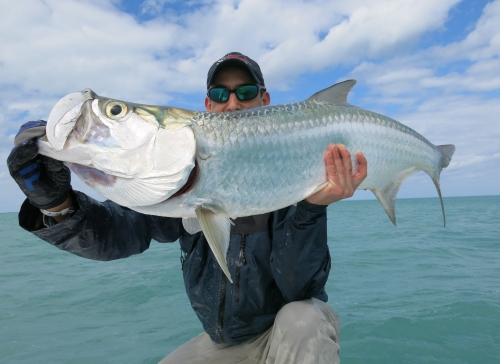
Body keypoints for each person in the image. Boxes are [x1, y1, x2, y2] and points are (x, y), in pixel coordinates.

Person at [7, 52, 368, 364]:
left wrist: (311, 208)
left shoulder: (297, 180)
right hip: (226, 343)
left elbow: (300, 288)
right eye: (219, 93)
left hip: (289, 333)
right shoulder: (178, 195)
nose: (232, 103)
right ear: (207, 104)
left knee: (303, 318)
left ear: (264, 100)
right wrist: (56, 205)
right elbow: (115, 236)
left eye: (245, 92)